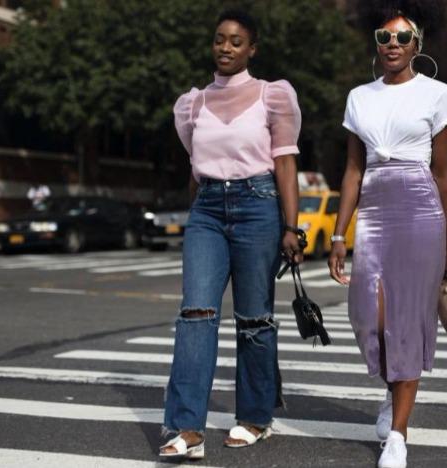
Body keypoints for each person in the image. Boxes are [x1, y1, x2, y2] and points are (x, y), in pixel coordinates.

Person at [159, 8, 303, 459]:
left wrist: (291, 227)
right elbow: (194, 165)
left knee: (254, 319)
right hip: (206, 211)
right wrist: (200, 209)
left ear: (251, 49)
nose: (225, 47)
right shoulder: (192, 104)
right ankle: (187, 428)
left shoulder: (272, 95)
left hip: (258, 206)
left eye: (236, 41)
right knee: (196, 313)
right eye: (219, 39)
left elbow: (284, 162)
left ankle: (256, 417)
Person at [327, 4, 447, 467]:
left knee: (406, 323)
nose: (393, 46)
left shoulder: (438, 94)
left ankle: (398, 436)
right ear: (376, 44)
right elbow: (352, 171)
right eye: (385, 38)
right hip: (376, 210)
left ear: (417, 45)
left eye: (403, 38)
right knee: (372, 320)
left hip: (420, 207)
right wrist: (340, 234)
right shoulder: (359, 97)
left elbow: (443, 175)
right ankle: (391, 391)